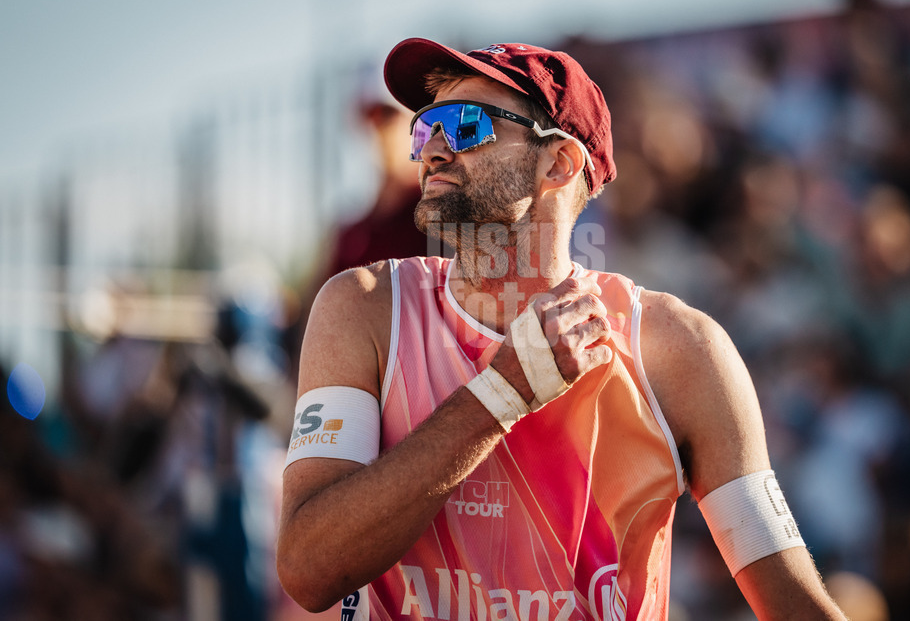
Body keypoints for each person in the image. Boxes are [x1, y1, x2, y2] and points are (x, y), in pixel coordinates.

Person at [277, 38, 846, 620]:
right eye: (425, 128)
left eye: (466, 124)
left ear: (559, 163)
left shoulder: (678, 350)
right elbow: (308, 570)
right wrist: (498, 396)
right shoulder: (365, 309)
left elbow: (792, 602)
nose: (434, 150)